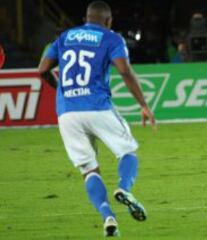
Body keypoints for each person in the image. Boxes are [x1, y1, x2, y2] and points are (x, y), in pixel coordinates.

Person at [38, 1, 156, 237]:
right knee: (127, 150)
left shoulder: (64, 36)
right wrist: (143, 104)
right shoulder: (111, 38)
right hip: (97, 106)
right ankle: (124, 188)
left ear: (86, 18)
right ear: (108, 20)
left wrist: (61, 88)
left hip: (67, 113)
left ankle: (108, 217)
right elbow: (124, 70)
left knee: (89, 170)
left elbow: (42, 69)